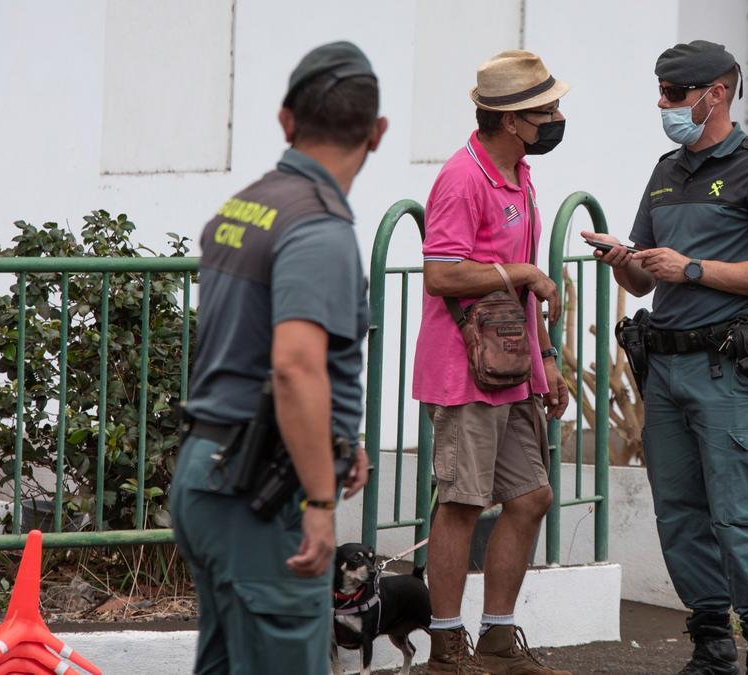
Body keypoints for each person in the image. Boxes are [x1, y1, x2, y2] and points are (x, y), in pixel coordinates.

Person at [585, 40, 748, 675]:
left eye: (675, 94)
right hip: (668, 367)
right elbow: (644, 283)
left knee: (738, 516)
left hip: (727, 369)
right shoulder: (665, 171)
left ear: (715, 95)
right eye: (660, 91)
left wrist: (693, 268)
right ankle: (712, 648)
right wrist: (625, 259)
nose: (663, 104)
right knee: (678, 512)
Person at [169, 41, 383, 674]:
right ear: (377, 133)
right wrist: (321, 501)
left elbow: (256, 348)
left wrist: (340, 440)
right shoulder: (318, 229)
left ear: (287, 120)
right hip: (258, 492)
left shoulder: (248, 205)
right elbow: (293, 366)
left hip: (213, 472)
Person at [412, 49, 572, 675]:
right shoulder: (462, 176)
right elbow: (440, 274)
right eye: (546, 110)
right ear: (512, 120)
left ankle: (499, 636)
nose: (556, 118)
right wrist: (521, 270)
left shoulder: (520, 176)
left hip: (511, 368)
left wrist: (548, 361)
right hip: (463, 370)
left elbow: (522, 295)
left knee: (531, 497)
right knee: (462, 503)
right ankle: (448, 647)